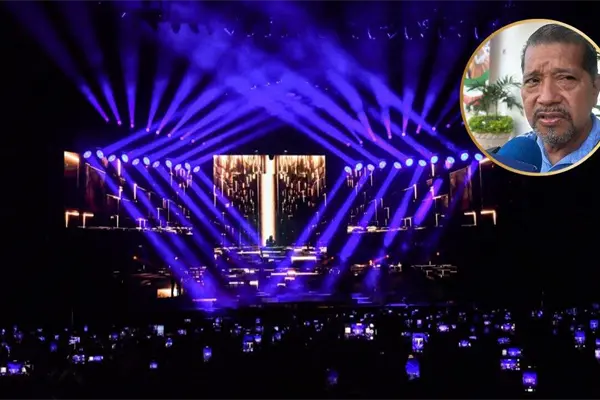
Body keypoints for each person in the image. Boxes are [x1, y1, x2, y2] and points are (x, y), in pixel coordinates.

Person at [515, 24, 600, 172]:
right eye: (533, 80)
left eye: (566, 78)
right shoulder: (513, 156)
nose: (547, 98)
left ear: (595, 88)